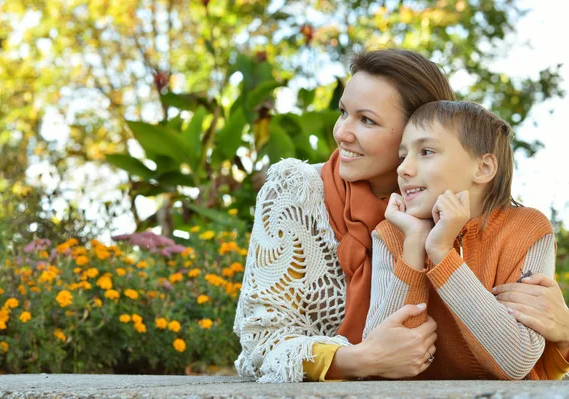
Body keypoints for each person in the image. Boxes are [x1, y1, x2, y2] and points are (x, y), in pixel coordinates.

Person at [233, 48, 569, 383]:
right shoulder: (300, 194)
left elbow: (519, 356)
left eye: (367, 120)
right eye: (343, 112)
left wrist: (564, 331)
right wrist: (359, 359)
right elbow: (261, 341)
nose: (342, 133)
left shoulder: (471, 216)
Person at [363, 100, 563, 380]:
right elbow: (379, 361)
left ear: (483, 168)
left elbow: (516, 360)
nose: (403, 169)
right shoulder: (393, 234)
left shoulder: (528, 229)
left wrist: (442, 254)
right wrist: (415, 245)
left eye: (426, 151)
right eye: (403, 156)